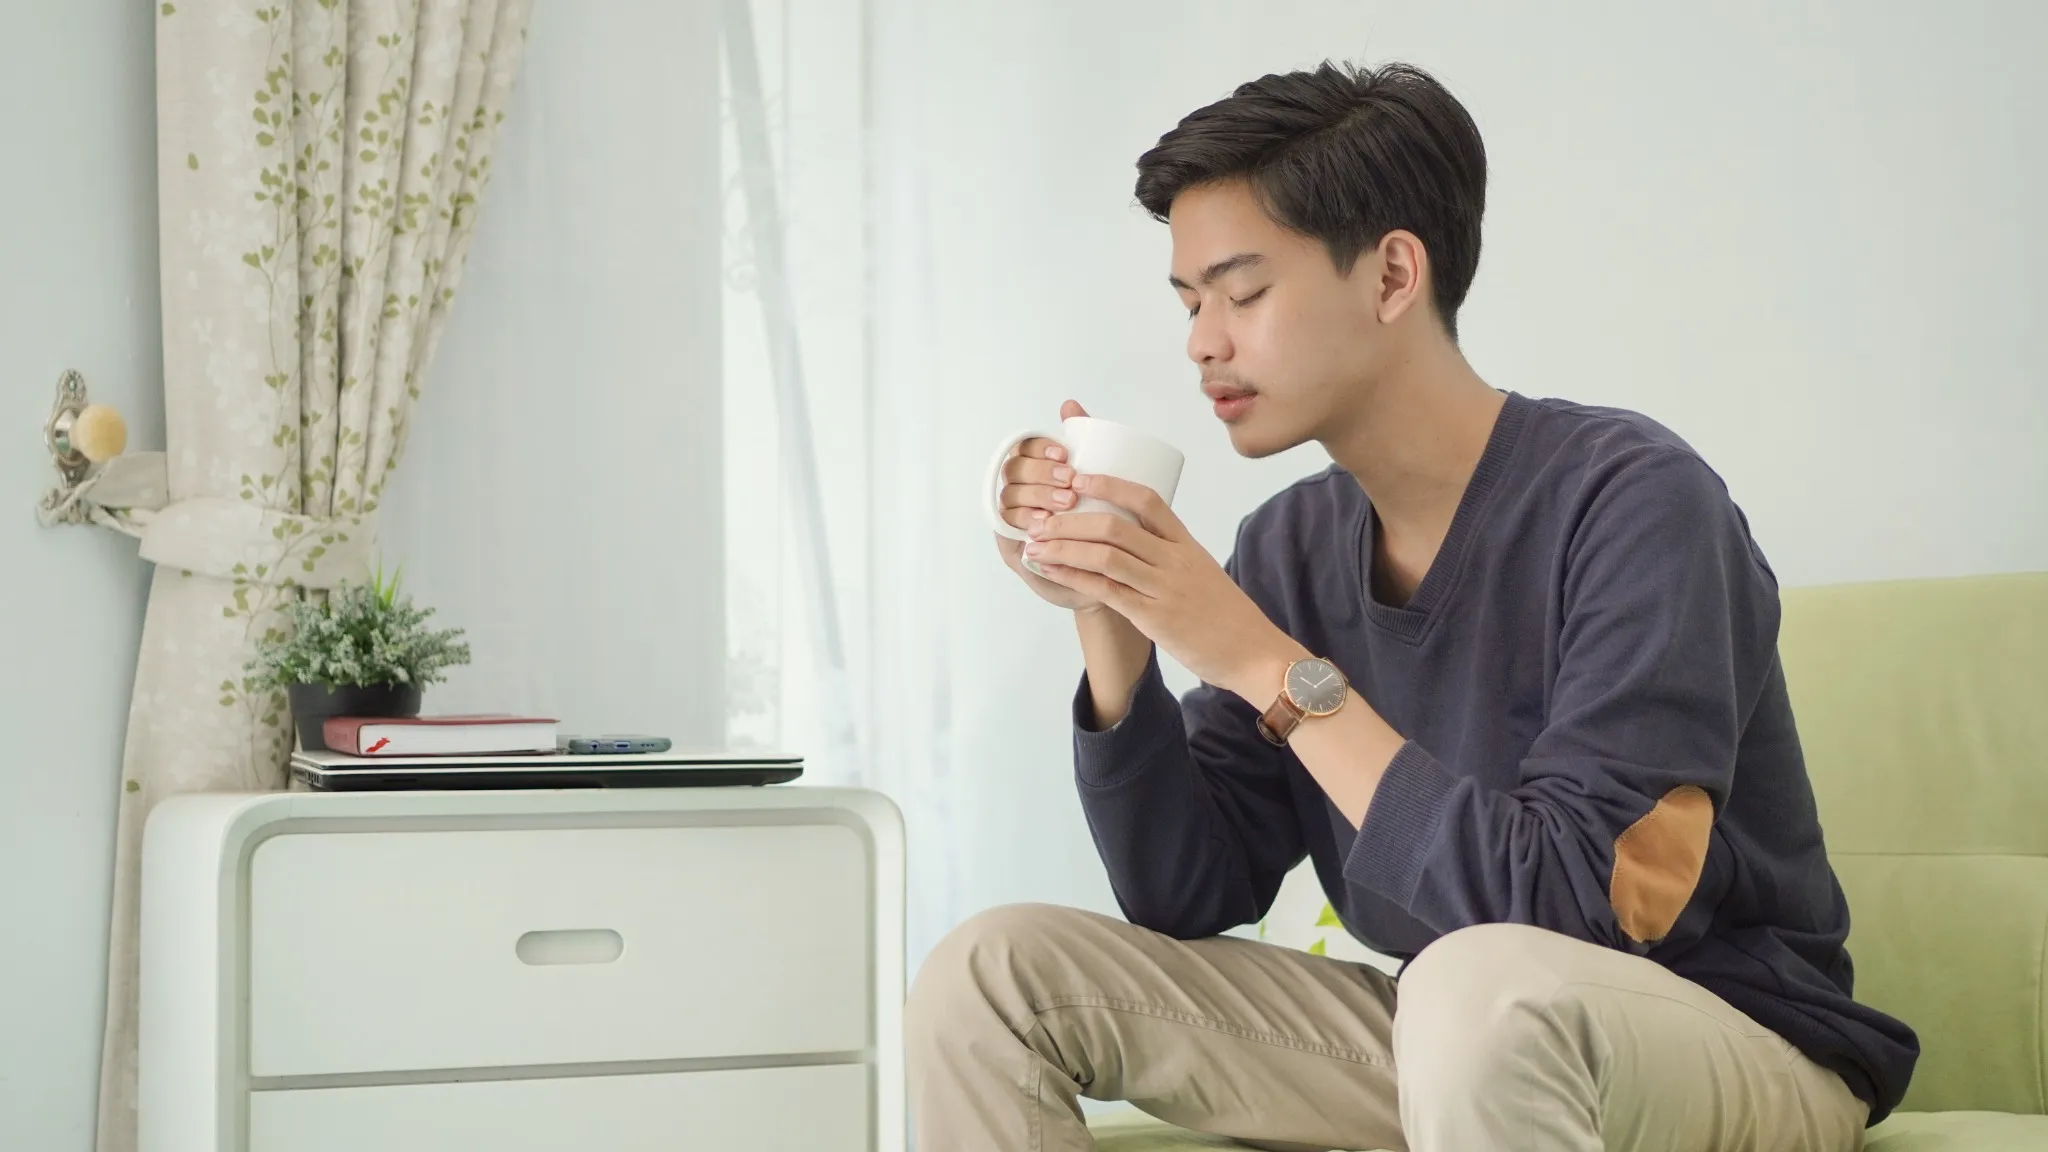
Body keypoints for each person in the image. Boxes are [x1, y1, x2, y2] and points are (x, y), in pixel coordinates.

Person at [904, 60, 1918, 1152]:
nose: (1202, 341)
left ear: (1391, 275)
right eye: (1190, 302)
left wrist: (1258, 660)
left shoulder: (1634, 502)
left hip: (1733, 1044)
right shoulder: (1291, 544)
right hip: (1464, 1037)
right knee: (991, 974)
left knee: (1473, 987)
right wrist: (1109, 609)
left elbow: (1580, 908)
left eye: (1242, 293)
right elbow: (1185, 888)